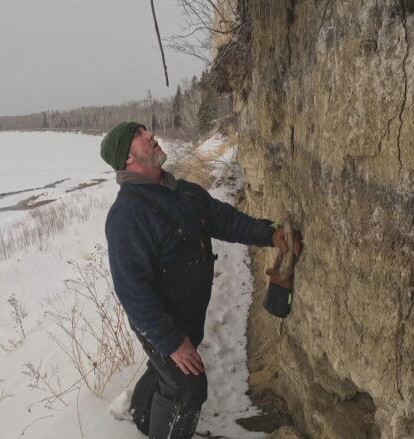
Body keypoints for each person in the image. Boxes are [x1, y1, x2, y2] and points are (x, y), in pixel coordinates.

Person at [101, 122, 299, 438]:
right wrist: (171, 341)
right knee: (187, 389)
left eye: (145, 130)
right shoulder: (128, 214)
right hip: (159, 322)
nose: (150, 135)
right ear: (126, 158)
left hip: (188, 316)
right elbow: (131, 290)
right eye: (139, 136)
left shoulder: (186, 193)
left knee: (166, 373)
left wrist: (269, 233)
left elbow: (226, 221)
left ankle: (138, 413)